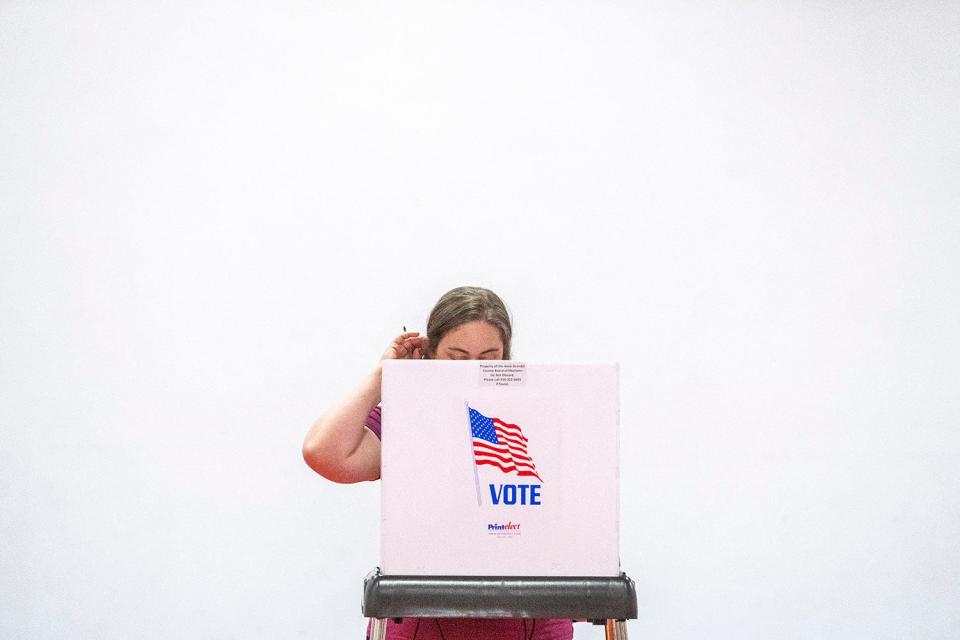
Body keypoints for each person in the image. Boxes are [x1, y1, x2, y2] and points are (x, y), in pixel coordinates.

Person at [302, 286, 574, 640]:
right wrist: (382, 377)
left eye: (489, 358)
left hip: (531, 617)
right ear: (429, 356)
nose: (473, 371)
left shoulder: (538, 418)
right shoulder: (406, 419)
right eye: (458, 359)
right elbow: (323, 453)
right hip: (422, 619)